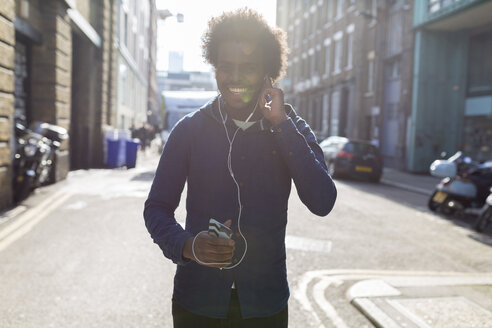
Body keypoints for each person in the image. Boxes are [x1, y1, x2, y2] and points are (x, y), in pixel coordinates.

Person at [144, 8, 337, 327]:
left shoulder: (292, 129)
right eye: (225, 67)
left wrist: (279, 124)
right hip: (198, 302)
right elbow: (157, 208)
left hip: (265, 304)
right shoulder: (189, 131)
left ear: (267, 73)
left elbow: (322, 202)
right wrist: (187, 245)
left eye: (247, 68)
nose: (234, 78)